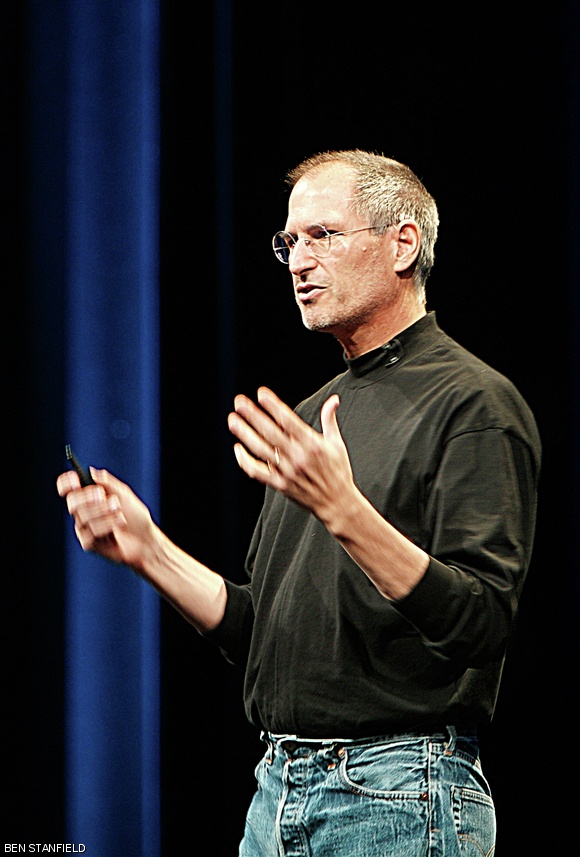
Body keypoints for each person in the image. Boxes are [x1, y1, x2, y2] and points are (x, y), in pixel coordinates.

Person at [57, 149, 541, 856]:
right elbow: (267, 639)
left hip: (399, 792)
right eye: (289, 242)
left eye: (323, 236)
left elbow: (480, 622)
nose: (298, 260)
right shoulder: (317, 415)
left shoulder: (472, 403)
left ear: (402, 243)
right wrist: (149, 550)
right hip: (279, 790)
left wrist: (345, 510)